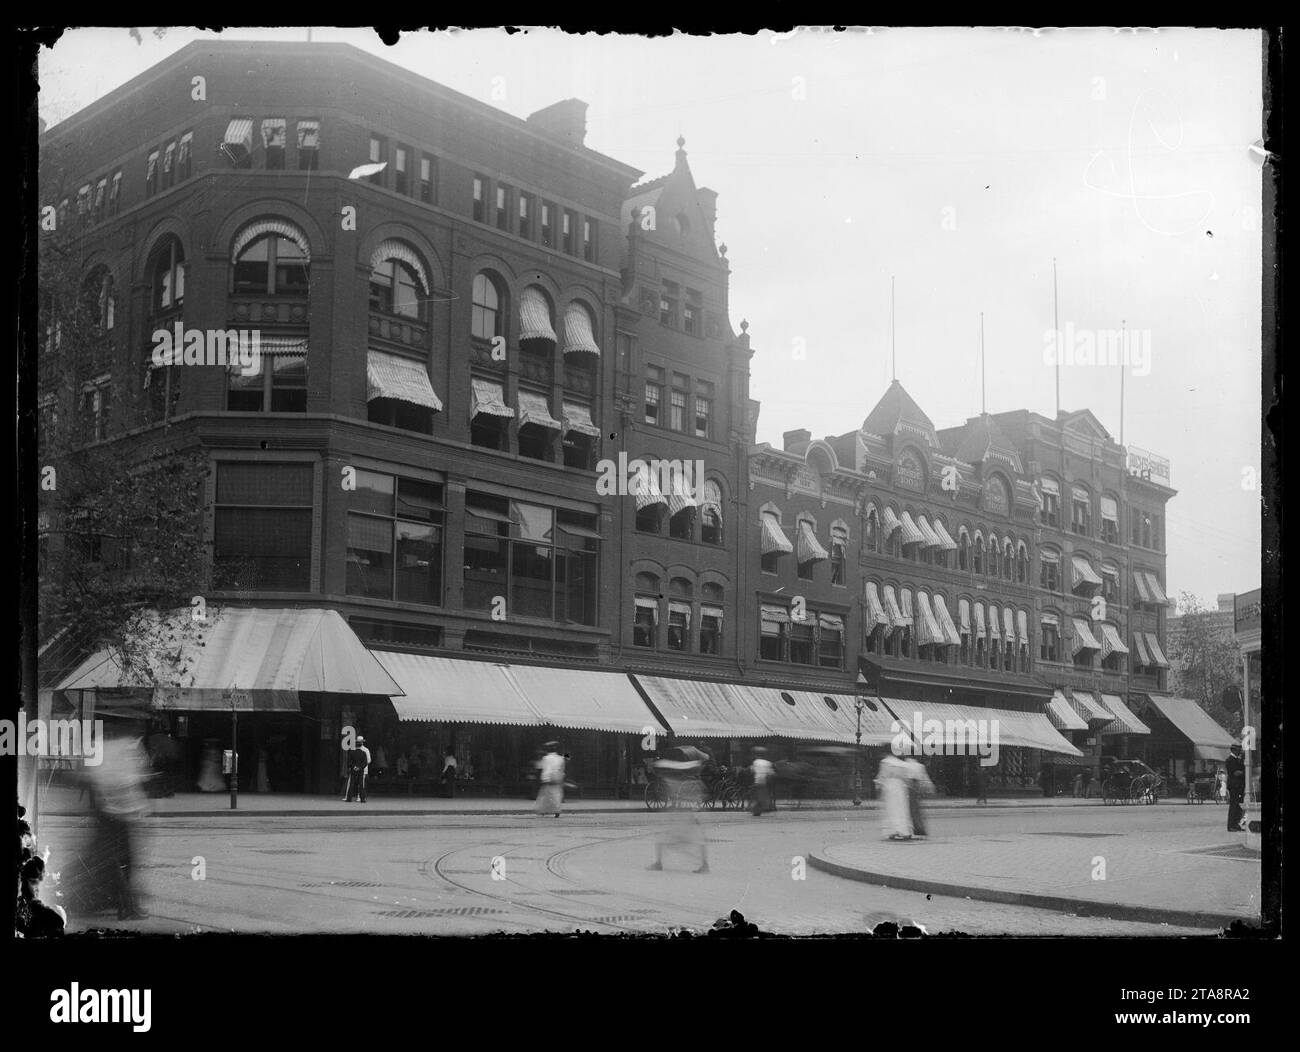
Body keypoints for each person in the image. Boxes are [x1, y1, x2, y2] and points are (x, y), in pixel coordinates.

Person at [646, 756, 709, 874]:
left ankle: (658, 863)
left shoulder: (684, 783)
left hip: (684, 818)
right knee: (698, 841)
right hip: (687, 817)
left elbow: (688, 799)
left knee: (664, 838)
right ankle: (704, 865)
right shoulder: (694, 783)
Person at [16, 855, 67, 938]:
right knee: (58, 922)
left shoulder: (29, 881)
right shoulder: (29, 883)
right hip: (30, 914)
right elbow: (32, 904)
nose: (45, 873)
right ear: (38, 871)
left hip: (30, 913)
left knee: (57, 921)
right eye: (43, 871)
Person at [875, 753, 912, 840]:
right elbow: (906, 777)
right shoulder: (902, 764)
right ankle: (904, 830)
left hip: (889, 786)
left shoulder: (885, 762)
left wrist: (878, 785)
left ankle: (892, 830)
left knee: (891, 809)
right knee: (901, 809)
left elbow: (882, 775)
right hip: (900, 786)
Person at [902, 756, 934, 838]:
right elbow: (925, 778)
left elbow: (903, 777)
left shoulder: (904, 765)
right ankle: (920, 828)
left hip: (908, 787)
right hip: (917, 787)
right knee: (917, 810)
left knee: (908, 809)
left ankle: (910, 828)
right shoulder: (920, 766)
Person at [536, 741, 565, 817]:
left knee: (546, 795)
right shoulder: (560, 758)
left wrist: (545, 779)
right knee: (556, 795)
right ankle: (557, 810)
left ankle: (543, 811)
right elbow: (562, 769)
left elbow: (546, 769)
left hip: (549, 779)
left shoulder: (546, 758)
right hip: (558, 779)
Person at [1225, 743, 1246, 831]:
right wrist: (1243, 772)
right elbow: (1236, 773)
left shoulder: (1237, 759)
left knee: (1238, 806)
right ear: (1233, 750)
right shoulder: (1230, 760)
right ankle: (1231, 826)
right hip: (1234, 785)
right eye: (1238, 750)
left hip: (1239, 785)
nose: (1239, 752)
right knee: (1233, 805)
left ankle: (1236, 824)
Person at [749, 748, 774, 816]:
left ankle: (756, 809)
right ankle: (760, 808)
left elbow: (752, 770)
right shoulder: (768, 763)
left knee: (759, 796)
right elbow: (771, 773)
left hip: (756, 781)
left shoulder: (755, 762)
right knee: (762, 796)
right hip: (763, 782)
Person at [344, 738, 369, 803]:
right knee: (361, 784)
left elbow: (349, 762)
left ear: (355, 745)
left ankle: (349, 798)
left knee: (351, 783)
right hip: (361, 771)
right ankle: (362, 799)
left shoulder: (352, 753)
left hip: (353, 770)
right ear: (361, 745)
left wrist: (354, 767)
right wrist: (360, 768)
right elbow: (365, 762)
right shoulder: (363, 753)